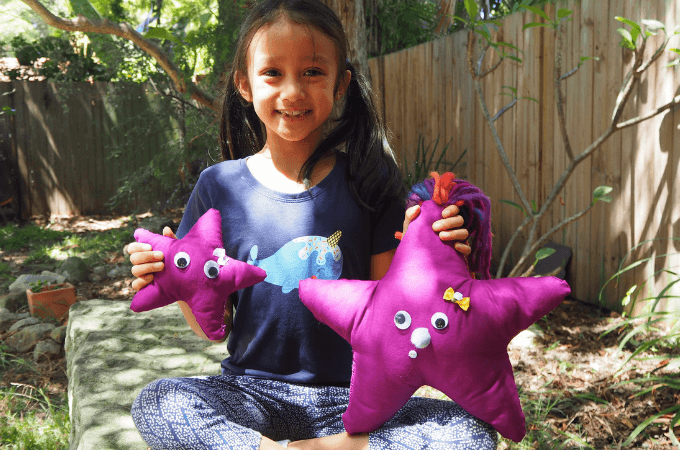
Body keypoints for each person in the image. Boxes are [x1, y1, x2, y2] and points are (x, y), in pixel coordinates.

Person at [127, 0, 499, 448]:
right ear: (244, 84)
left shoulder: (369, 180)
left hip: (354, 398)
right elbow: (212, 325)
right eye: (272, 73)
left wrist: (439, 260)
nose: (292, 91)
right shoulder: (217, 187)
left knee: (469, 430)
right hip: (251, 394)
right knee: (159, 401)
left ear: (341, 84)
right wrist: (171, 278)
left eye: (312, 72)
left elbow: (390, 314)